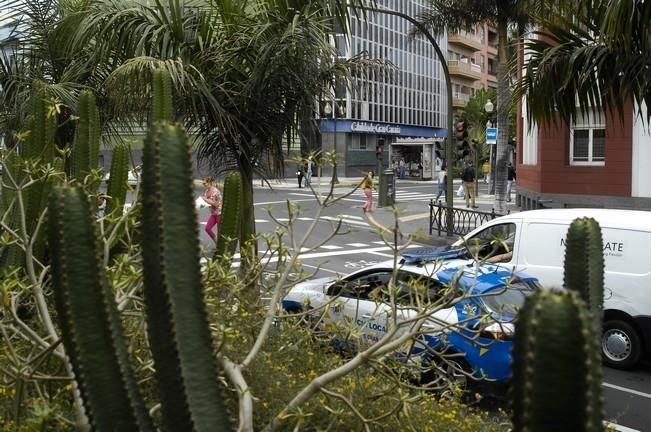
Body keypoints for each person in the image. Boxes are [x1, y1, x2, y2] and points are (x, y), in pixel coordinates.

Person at [202, 176, 222, 241]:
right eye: (203, 184)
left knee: (220, 232)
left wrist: (205, 200)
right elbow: (205, 203)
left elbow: (215, 204)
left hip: (220, 214)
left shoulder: (215, 192)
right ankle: (216, 242)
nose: (204, 185)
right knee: (207, 228)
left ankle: (220, 247)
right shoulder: (206, 192)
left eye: (205, 183)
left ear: (209, 182)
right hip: (213, 214)